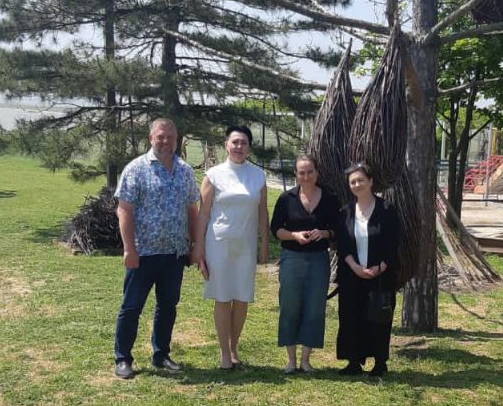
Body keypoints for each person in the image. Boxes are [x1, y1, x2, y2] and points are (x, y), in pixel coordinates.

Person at [114, 118, 200, 379]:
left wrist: (194, 244)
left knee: (167, 306)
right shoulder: (136, 169)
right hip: (143, 253)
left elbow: (192, 209)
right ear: (151, 138)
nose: (165, 141)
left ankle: (161, 354)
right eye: (160, 136)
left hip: (174, 254)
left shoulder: (185, 171)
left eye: (170, 137)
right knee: (132, 307)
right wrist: (129, 249)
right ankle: (123, 358)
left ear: (177, 140)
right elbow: (124, 210)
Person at [193, 125, 269, 370]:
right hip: (219, 244)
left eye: (244, 143)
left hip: (246, 245)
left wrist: (264, 243)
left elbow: (262, 213)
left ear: (249, 148)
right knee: (223, 297)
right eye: (235, 142)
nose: (239, 147)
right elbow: (203, 215)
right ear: (226, 145)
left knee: (242, 298)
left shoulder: (258, 176)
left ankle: (234, 347)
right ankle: (224, 353)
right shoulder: (213, 175)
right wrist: (199, 247)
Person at [270, 154, 339, 374]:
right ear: (296, 174)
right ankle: (291, 360)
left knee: (315, 308)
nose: (306, 176)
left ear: (317, 173)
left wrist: (325, 233)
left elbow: (338, 228)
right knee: (289, 306)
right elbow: (276, 230)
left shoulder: (330, 198)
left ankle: (306, 361)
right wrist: (294, 235)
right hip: (291, 258)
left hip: (319, 259)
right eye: (302, 172)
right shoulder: (286, 198)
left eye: (310, 172)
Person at [336, 162, 399, 378]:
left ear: (371, 182)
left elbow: (393, 243)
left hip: (379, 275)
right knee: (351, 317)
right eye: (352, 182)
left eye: (361, 180)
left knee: (378, 318)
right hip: (351, 275)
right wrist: (354, 266)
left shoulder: (387, 209)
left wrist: (380, 267)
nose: (357, 185)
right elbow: (342, 245)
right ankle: (353, 362)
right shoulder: (345, 212)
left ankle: (380, 363)